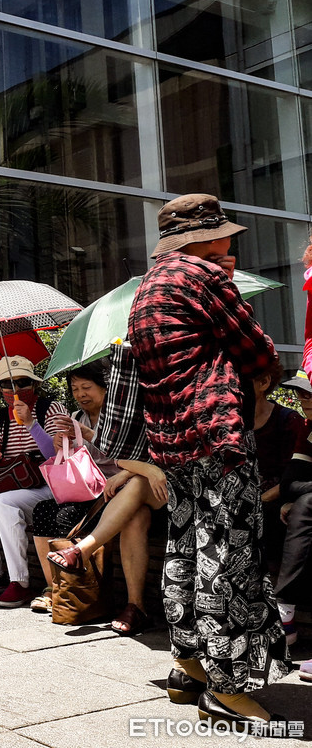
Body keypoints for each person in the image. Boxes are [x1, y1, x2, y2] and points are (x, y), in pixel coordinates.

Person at [128, 193, 288, 725]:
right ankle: (227, 687)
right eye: (222, 234)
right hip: (217, 436)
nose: (227, 242)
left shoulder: (146, 288)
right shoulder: (203, 276)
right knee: (229, 558)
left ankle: (190, 666)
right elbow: (258, 350)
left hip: (171, 442)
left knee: (185, 551)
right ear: (204, 238)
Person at [36, 361, 168, 634]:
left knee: (135, 482)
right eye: (75, 389)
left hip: (145, 488)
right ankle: (135, 607)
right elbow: (76, 463)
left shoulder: (126, 417)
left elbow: (142, 455)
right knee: (135, 518)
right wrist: (63, 444)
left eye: (87, 387)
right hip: (105, 496)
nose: (81, 394)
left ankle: (80, 552)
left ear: (106, 388)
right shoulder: (77, 417)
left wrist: (119, 471)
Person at [0, 355, 68, 608]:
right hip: (12, 482)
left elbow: (57, 455)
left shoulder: (51, 409)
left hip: (47, 485)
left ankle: (20, 582)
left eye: (23, 382)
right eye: (8, 384)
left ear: (34, 384)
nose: (15, 390)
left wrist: (31, 424)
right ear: (0, 389)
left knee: (3, 503)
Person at [251, 361, 304, 570]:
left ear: (264, 383)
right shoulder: (228, 424)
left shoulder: (289, 421)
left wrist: (257, 501)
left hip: (273, 509)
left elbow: (293, 478)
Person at [274, 372, 312, 655]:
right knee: (301, 504)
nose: (303, 399)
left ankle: (284, 610)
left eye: (309, 393)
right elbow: (290, 483)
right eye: (301, 393)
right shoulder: (308, 428)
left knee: (305, 504)